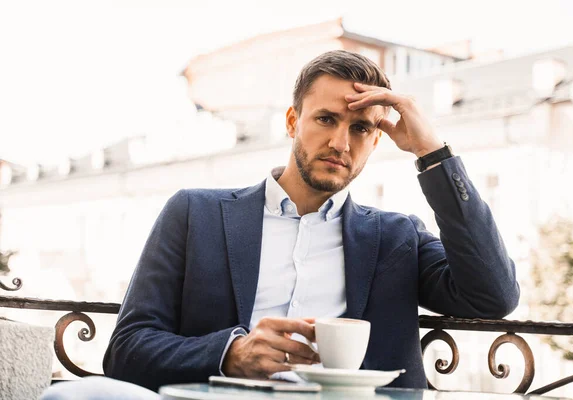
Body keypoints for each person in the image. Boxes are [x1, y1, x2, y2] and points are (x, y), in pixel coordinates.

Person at [42, 50, 519, 398]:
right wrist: (230, 353)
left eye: (360, 129)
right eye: (326, 119)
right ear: (292, 121)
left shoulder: (397, 237)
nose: (341, 142)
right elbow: (126, 348)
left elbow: (494, 295)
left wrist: (431, 153)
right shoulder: (195, 213)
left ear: (377, 140)